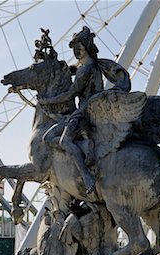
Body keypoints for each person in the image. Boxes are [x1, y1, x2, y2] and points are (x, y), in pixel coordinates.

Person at [39, 26, 103, 194]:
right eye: (74, 49)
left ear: (87, 48)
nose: (76, 52)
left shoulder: (87, 69)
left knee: (63, 141)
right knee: (47, 138)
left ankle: (86, 175)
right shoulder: (87, 66)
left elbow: (70, 94)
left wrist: (48, 100)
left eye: (79, 49)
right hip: (84, 110)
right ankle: (78, 153)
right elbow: (72, 69)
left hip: (86, 112)